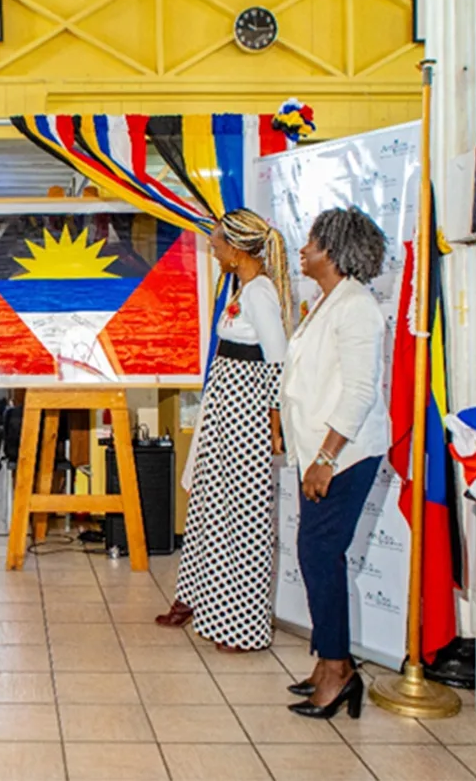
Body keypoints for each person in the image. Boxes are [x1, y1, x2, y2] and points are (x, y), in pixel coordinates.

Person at [156, 209, 292, 653]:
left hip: (245, 417)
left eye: (216, 245)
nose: (213, 252)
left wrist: (274, 427)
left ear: (236, 248)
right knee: (209, 508)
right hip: (224, 410)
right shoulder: (241, 288)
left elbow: (277, 363)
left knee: (243, 518)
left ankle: (242, 625)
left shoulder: (261, 293)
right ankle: (199, 600)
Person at [281, 206, 389, 720]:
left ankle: (338, 670)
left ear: (335, 250)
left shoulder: (358, 307)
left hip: (345, 455)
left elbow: (360, 392)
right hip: (319, 454)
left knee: (320, 556)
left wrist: (326, 457)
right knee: (317, 557)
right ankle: (327, 662)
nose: (303, 250)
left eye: (312, 242)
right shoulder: (329, 301)